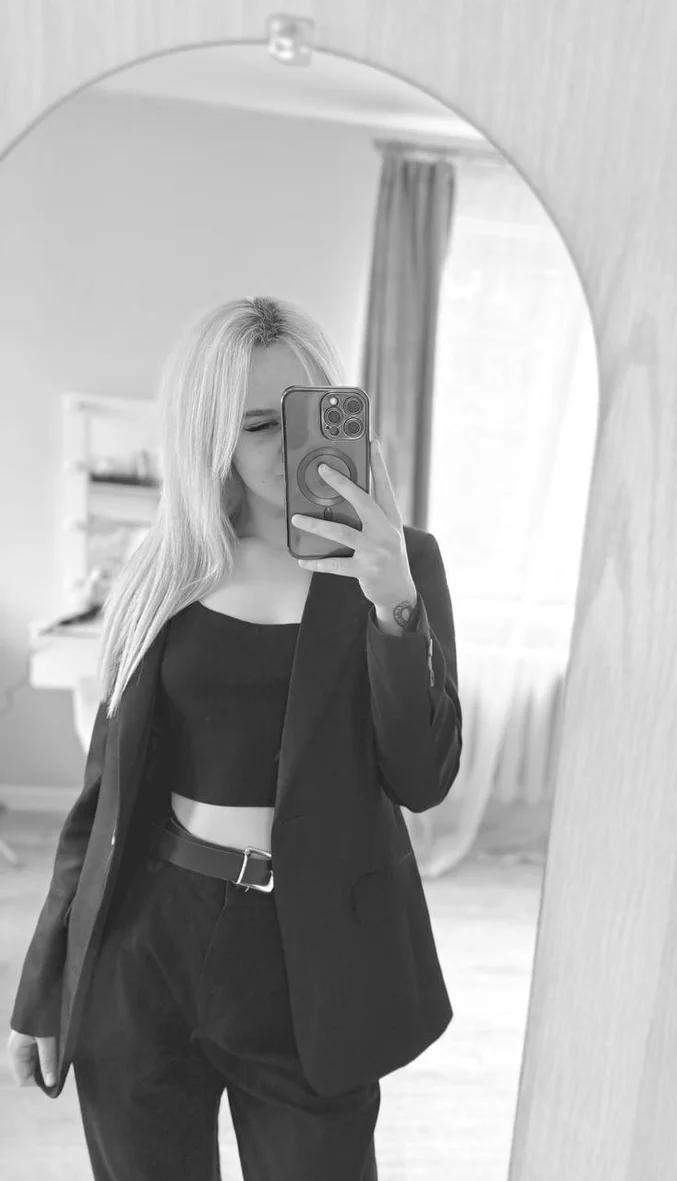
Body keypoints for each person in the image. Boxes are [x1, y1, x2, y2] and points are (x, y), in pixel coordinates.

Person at [5, 296, 462, 1181]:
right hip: (149, 942)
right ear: (209, 436)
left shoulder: (403, 565)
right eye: (258, 424)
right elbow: (103, 799)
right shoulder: (167, 569)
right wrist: (46, 979)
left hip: (314, 959)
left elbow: (423, 774)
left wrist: (394, 605)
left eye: (305, 412)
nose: (290, 448)